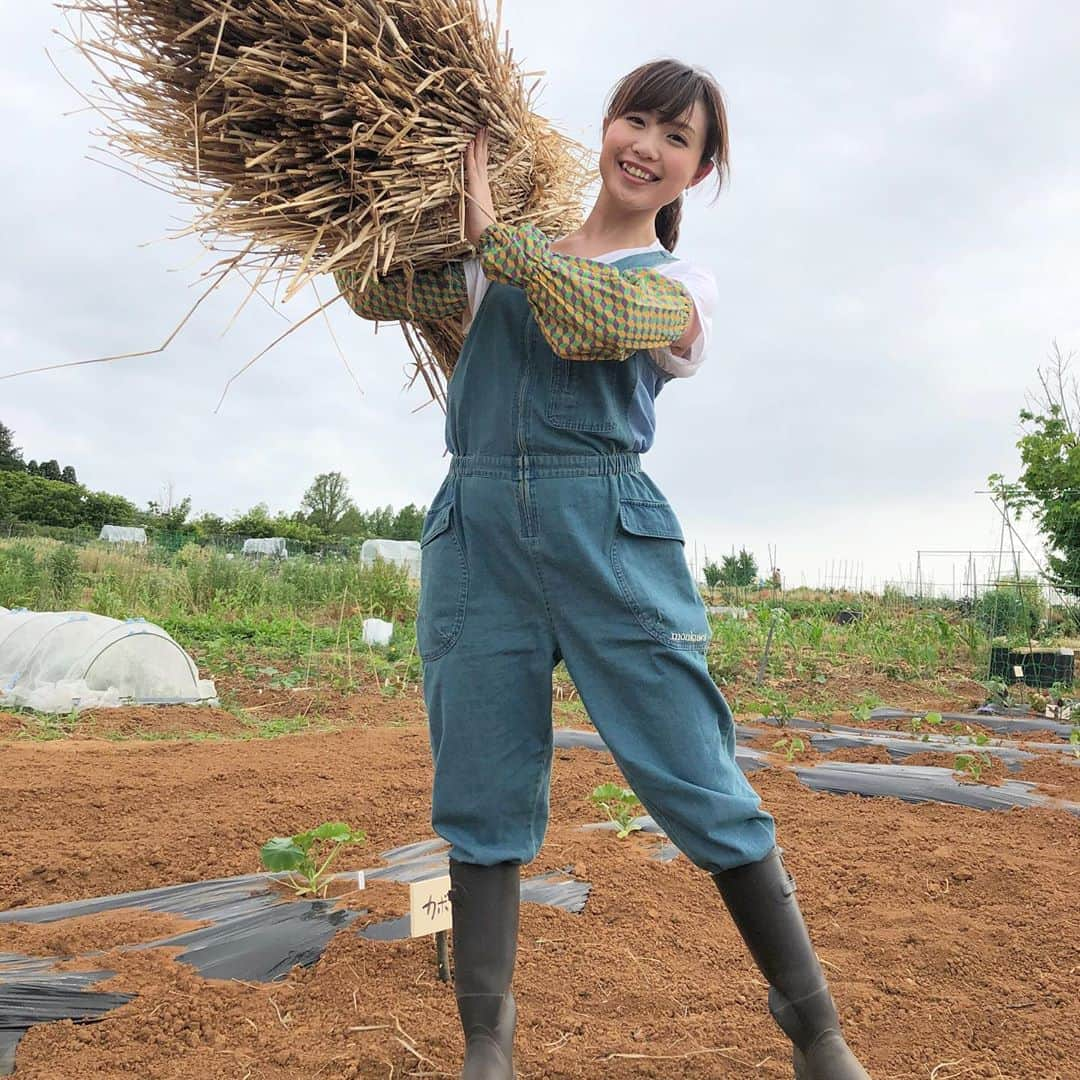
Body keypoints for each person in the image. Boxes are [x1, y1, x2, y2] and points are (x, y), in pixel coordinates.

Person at [337, 59, 869, 1080]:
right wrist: (372, 186)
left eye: (677, 139)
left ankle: (817, 1033)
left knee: (698, 776)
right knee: (480, 786)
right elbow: (367, 288)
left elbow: (587, 321)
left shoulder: (676, 289)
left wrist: (499, 236)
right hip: (476, 529)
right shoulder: (498, 255)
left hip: (609, 532)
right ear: (604, 128)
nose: (648, 147)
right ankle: (486, 1047)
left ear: (699, 172)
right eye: (636, 120)